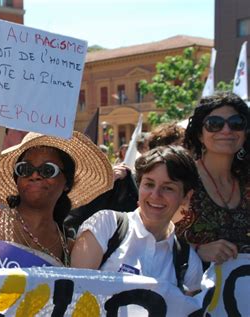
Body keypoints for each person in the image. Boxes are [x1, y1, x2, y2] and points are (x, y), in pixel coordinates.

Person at [0, 131, 114, 268]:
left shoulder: (70, 248)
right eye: (25, 169)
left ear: (67, 183)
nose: (35, 175)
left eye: (48, 170)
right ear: (17, 179)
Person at [71, 146, 203, 293]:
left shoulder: (188, 261)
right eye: (149, 184)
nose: (155, 195)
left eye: (168, 188)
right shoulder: (105, 225)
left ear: (186, 197)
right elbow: (74, 296)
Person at [176, 92, 250, 263]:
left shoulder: (246, 183)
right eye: (214, 124)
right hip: (192, 287)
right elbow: (151, 236)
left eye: (236, 123)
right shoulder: (181, 180)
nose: (226, 130)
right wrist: (196, 250)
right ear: (200, 134)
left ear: (245, 132)